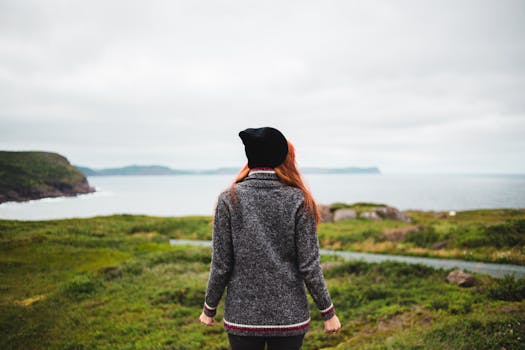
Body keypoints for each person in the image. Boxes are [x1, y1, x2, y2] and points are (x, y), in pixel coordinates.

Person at [199, 126, 341, 350]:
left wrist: (210, 308)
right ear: (282, 156)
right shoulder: (299, 199)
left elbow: (221, 264)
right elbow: (309, 266)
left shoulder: (228, 198)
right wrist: (328, 312)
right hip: (290, 318)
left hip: (242, 318)